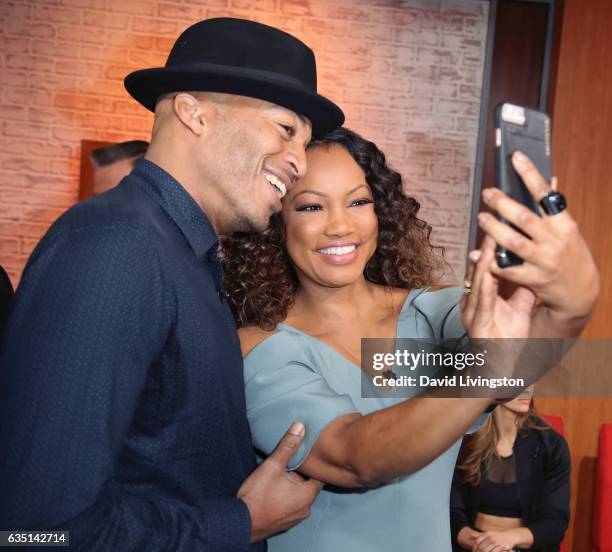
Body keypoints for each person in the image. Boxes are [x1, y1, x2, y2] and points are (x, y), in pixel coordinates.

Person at [0, 18, 344, 550]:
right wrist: (241, 522)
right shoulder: (117, 247)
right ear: (193, 112)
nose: (299, 162)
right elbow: (35, 531)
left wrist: (511, 341)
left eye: (362, 200)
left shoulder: (182, 255)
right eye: (285, 129)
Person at [221, 127, 597, 551]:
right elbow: (354, 455)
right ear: (277, 223)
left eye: (358, 201)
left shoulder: (432, 313)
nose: (341, 225)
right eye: (311, 206)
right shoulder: (260, 347)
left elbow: (518, 360)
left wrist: (574, 305)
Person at [451, 387, 570, 552]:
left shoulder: (552, 445)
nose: (527, 388)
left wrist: (510, 539)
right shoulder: (465, 441)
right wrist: (478, 543)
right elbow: (452, 512)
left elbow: (555, 522)